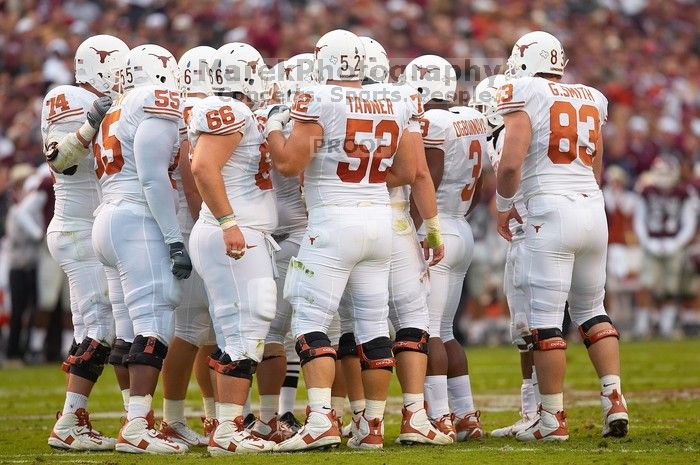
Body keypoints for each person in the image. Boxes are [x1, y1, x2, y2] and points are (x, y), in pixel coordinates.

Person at [266, 29, 417, 451]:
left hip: (333, 221)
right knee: (372, 327)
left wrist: (275, 128)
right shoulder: (395, 98)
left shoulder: (318, 98)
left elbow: (288, 162)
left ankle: (319, 420)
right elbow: (404, 171)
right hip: (379, 220)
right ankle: (371, 426)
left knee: (310, 322)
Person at [495, 31, 628, 441]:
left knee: (545, 322)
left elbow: (510, 164)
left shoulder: (524, 90)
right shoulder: (590, 95)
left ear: (521, 59)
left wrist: (503, 207)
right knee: (592, 309)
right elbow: (598, 166)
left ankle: (552, 419)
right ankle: (614, 399)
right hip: (591, 206)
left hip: (549, 211)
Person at [336, 36, 451, 446]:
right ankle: (416, 414)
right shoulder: (400, 100)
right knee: (411, 317)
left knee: (356, 325)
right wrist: (433, 228)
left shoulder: (327, 100)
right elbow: (417, 172)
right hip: (394, 219)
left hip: (344, 219)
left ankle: (364, 420)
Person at [90, 43, 191, 454]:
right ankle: (136, 426)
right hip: (136, 218)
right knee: (155, 321)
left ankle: (138, 419)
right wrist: (173, 238)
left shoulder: (115, 109)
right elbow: (152, 179)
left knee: (129, 330)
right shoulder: (153, 102)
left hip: (108, 216)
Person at [188, 42, 278, 454]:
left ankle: (227, 426)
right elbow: (202, 167)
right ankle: (227, 431)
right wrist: (229, 223)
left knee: (236, 328)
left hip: (236, 231)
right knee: (248, 323)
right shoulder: (232, 111)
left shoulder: (243, 113)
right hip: (232, 233)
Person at [40, 34, 128, 451]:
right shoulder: (68, 97)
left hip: (92, 226)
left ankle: (131, 419)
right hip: (77, 226)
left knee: (105, 323)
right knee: (99, 326)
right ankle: (71, 422)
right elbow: (60, 159)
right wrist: (93, 121)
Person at [404, 54, 487, 441]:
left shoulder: (433, 122)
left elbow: (429, 178)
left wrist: (417, 227)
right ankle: (467, 413)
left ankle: (440, 416)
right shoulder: (470, 117)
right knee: (446, 330)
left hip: (437, 229)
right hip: (461, 226)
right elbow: (481, 180)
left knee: (429, 330)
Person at [469, 74, 540, 437]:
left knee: (530, 329)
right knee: (533, 327)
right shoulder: (530, 130)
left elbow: (505, 167)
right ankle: (540, 410)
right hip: (545, 229)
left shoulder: (504, 138)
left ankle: (538, 413)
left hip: (530, 236)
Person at [251, 53, 316, 441]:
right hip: (300, 228)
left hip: (262, 225)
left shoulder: (259, 116)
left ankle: (273, 415)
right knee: (284, 328)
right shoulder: (308, 119)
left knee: (271, 328)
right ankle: (271, 416)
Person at [159, 45, 218, 447]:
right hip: (193, 222)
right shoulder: (200, 111)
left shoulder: (172, 109)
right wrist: (206, 219)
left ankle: (212, 415)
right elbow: (191, 168)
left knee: (206, 330)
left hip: (180, 222)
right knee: (194, 327)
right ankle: (173, 418)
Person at [633, 156, 698, 338]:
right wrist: (647, 242)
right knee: (646, 285)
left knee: (670, 288)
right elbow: (639, 219)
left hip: (673, 244)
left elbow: (688, 222)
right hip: (652, 242)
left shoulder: (684, 193)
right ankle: (641, 327)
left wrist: (675, 243)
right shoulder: (646, 191)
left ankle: (666, 328)